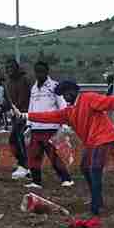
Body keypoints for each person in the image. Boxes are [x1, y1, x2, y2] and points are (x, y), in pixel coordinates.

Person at [26, 81, 114, 217]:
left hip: (105, 137)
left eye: (66, 93)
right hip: (93, 142)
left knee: (94, 168)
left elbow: (109, 101)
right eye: (63, 94)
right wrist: (26, 116)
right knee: (85, 167)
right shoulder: (69, 111)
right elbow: (49, 116)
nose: (65, 96)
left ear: (74, 91)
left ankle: (96, 207)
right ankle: (96, 198)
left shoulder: (88, 98)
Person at [24, 61, 73, 190]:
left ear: (47, 72)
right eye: (37, 71)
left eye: (41, 71)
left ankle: (66, 179)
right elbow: (31, 106)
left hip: (50, 127)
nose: (39, 74)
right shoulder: (34, 88)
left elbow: (62, 105)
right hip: (35, 127)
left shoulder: (55, 86)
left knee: (53, 155)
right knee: (34, 155)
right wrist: (29, 124)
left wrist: (64, 123)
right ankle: (36, 181)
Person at [3, 61, 31, 179]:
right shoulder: (9, 82)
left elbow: (25, 97)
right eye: (7, 68)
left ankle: (26, 166)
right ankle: (23, 163)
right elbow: (9, 100)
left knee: (19, 139)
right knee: (13, 141)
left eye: (11, 68)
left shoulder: (24, 80)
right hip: (16, 116)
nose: (9, 70)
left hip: (24, 114)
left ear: (16, 69)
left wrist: (18, 110)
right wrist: (2, 109)